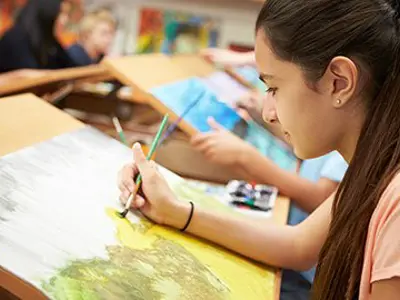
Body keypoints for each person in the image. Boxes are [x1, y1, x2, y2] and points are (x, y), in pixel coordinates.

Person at [118, 0, 400, 299]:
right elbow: (298, 245)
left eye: (274, 88)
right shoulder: (372, 170)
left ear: (339, 82)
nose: (268, 114)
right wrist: (174, 211)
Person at [0, 0, 76, 73]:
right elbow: (28, 78)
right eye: (60, 13)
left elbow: (72, 68)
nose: (64, 20)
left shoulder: (49, 41)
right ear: (46, 12)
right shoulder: (15, 39)